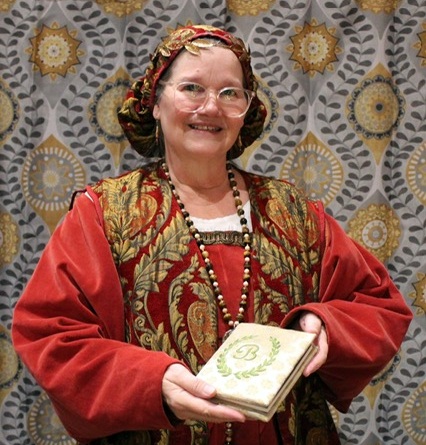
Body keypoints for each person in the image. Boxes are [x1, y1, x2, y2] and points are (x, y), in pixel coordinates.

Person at [12, 24, 413, 445]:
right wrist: (151, 382)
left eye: (230, 93)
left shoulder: (292, 210)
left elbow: (378, 306)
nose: (211, 107)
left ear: (246, 109)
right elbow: (51, 333)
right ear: (154, 102)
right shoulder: (103, 213)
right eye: (192, 88)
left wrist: (325, 325)